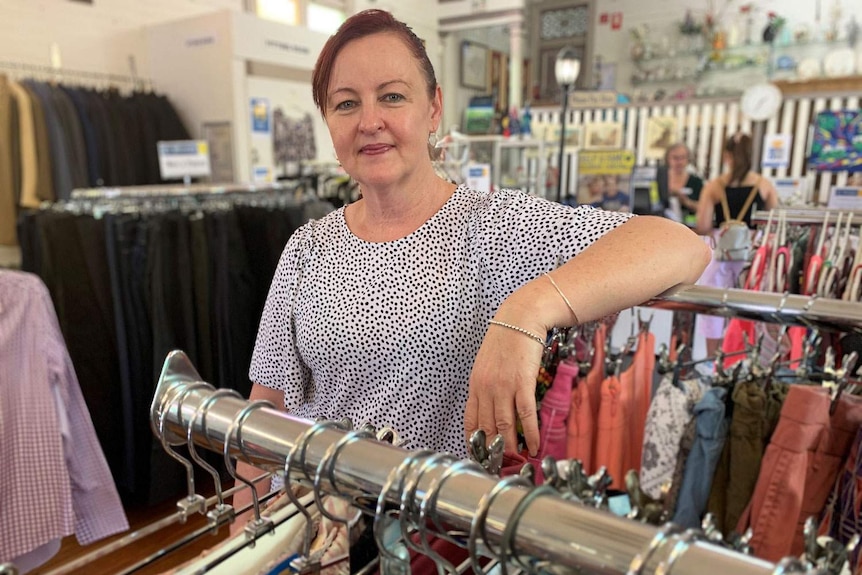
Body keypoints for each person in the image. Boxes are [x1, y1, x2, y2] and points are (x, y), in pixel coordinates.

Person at [233, 9, 709, 518]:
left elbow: (681, 245)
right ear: (328, 123)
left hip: (438, 537)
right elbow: (266, 410)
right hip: (320, 532)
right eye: (346, 103)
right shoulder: (309, 245)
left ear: (434, 108)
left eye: (392, 96)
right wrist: (245, 537)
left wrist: (528, 309)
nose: (370, 120)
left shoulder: (496, 226)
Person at [694, 132, 779, 357]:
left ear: (726, 156)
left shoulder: (713, 187)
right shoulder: (764, 185)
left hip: (720, 250)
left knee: (712, 307)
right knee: (749, 307)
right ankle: (744, 359)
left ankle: (712, 361)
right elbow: (775, 222)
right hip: (752, 253)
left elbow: (702, 226)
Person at [664, 142, 703, 224]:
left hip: (689, 225)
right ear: (667, 159)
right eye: (675, 158)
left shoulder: (696, 181)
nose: (679, 162)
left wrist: (687, 202)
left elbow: (704, 207)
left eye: (683, 158)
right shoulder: (660, 179)